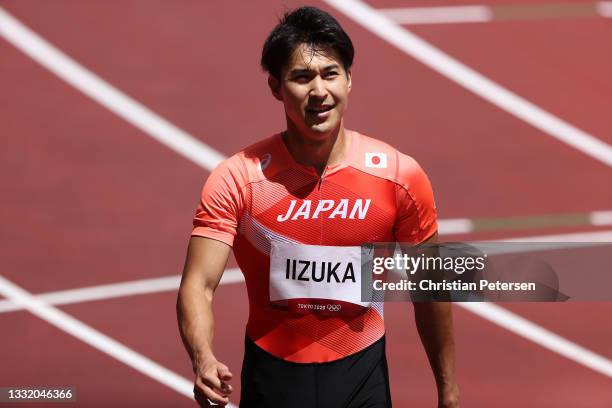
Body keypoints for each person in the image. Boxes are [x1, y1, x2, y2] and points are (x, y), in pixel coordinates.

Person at [177, 6, 459, 408]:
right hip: (272, 376)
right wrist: (202, 358)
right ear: (276, 86)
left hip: (363, 377)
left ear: (349, 79)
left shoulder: (399, 176)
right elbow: (198, 285)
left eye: (330, 74)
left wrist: (448, 390)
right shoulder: (239, 178)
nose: (319, 91)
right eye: (301, 77)